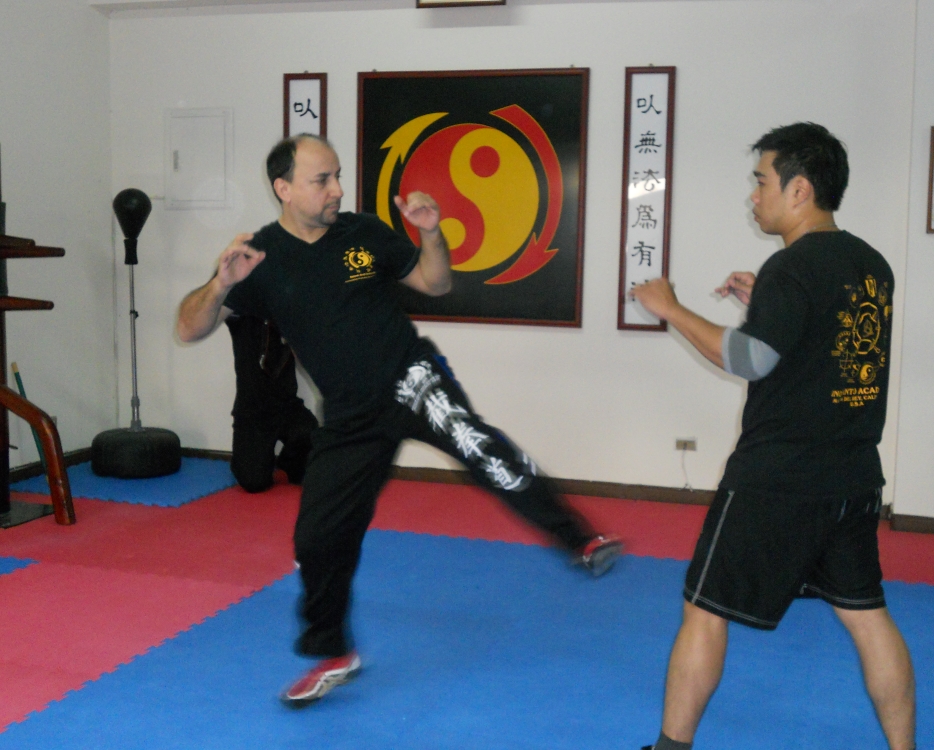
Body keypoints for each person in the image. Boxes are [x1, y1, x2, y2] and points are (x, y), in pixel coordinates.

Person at [176, 133, 622, 706]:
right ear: (283, 189)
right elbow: (188, 328)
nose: (338, 190)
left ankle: (581, 540)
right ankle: (333, 651)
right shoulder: (258, 258)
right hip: (348, 415)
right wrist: (220, 283)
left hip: (414, 381)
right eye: (322, 180)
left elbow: (435, 283)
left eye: (338, 176)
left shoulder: (363, 233)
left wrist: (430, 233)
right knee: (317, 536)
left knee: (483, 451)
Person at [631, 123, 915, 750]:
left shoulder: (792, 266)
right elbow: (829, 340)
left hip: (777, 478)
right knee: (867, 617)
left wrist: (671, 308)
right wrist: (768, 303)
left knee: (703, 610)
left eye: (761, 181)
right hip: (853, 476)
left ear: (799, 190)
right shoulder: (871, 264)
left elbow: (750, 360)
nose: (753, 195)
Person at [225, 314, 317, 493]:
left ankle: (288, 463)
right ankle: (255, 460)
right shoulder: (243, 312)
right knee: (253, 482)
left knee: (313, 436)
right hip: (253, 413)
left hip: (288, 407)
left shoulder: (289, 312)